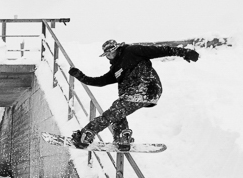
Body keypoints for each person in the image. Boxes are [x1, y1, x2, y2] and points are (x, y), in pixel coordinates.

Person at [68, 39, 199, 151]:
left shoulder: (132, 51)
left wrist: (184, 52)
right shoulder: (116, 69)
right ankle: (122, 138)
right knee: (118, 112)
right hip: (136, 95)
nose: (110, 56)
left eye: (112, 52)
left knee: (112, 112)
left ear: (118, 48)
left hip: (145, 88)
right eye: (107, 55)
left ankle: (87, 134)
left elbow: (160, 50)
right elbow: (100, 81)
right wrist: (81, 76)